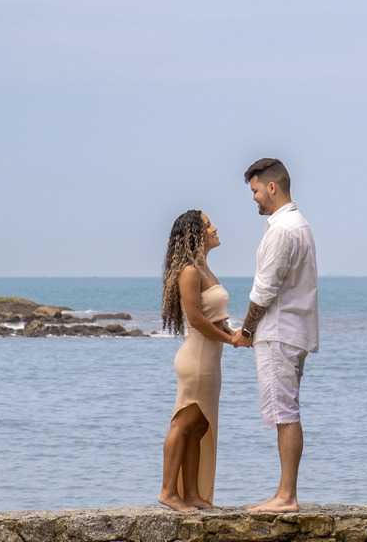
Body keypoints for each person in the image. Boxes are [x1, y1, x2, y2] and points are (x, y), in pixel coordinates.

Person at [230, 157, 319, 513]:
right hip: (292, 330)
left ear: (272, 186)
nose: (253, 198)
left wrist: (246, 331)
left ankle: (287, 496)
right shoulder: (299, 225)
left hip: (278, 332)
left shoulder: (283, 230)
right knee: (286, 410)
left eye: (254, 190)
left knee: (285, 412)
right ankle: (285, 493)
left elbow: (263, 290)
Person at [158, 209, 241, 512]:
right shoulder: (190, 272)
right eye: (208, 225)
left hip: (210, 360)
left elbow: (215, 319)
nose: (215, 228)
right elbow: (196, 320)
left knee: (198, 427)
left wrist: (236, 333)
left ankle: (192, 494)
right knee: (183, 423)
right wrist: (230, 339)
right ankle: (168, 492)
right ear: (196, 234)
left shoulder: (205, 269)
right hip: (196, 359)